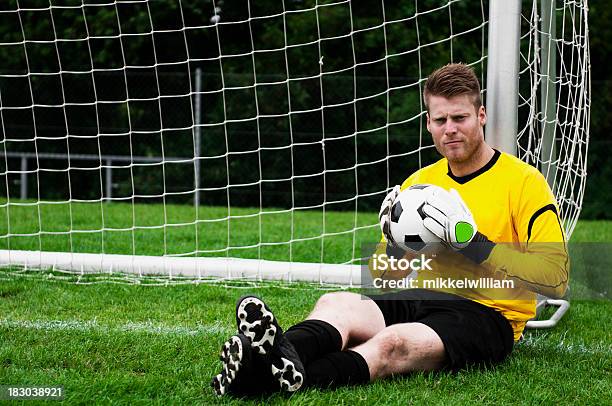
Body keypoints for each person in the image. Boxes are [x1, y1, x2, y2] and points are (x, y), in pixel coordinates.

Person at [211, 63, 569, 396]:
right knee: (336, 304)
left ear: (480, 116)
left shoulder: (523, 182)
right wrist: (397, 246)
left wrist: (474, 245)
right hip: (421, 295)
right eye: (440, 119)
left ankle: (258, 379)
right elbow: (381, 277)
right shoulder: (419, 184)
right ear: (428, 123)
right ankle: (269, 362)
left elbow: (555, 278)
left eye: (460, 118)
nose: (451, 129)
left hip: (488, 314)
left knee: (393, 344)